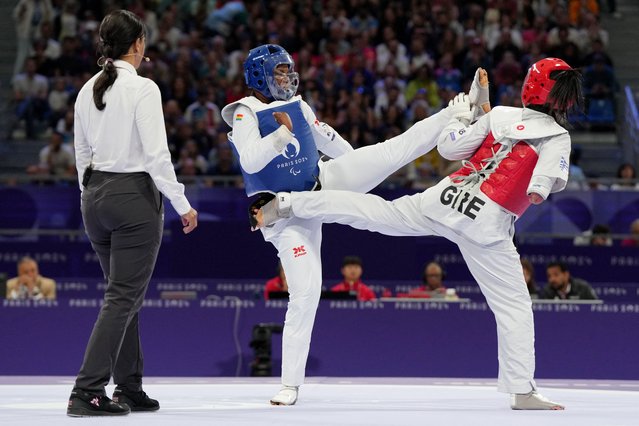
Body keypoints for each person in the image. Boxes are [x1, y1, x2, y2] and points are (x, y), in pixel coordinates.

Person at [257, 58, 584, 410]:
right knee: (513, 306)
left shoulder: (501, 114)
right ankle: (521, 390)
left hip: (445, 198)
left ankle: (291, 203)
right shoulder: (558, 136)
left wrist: (464, 114)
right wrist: (537, 187)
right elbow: (542, 184)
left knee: (374, 212)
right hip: (486, 224)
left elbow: (449, 148)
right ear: (563, 99)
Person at [221, 44, 458, 405]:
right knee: (306, 292)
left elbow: (330, 141)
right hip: (286, 218)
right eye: (280, 72)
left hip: (323, 183)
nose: (287, 78)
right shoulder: (245, 112)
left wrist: (362, 165)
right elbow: (251, 162)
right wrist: (281, 135)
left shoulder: (299, 105)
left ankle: (457, 111)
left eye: (288, 71)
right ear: (260, 76)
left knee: (390, 152)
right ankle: (289, 385)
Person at [68, 10, 198, 417]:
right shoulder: (144, 89)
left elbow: (82, 155)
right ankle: (87, 390)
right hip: (132, 198)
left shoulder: (87, 88)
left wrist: (90, 197)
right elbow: (158, 157)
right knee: (123, 296)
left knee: (124, 295)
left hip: (95, 196)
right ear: (138, 44)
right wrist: (183, 204)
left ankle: (128, 387)